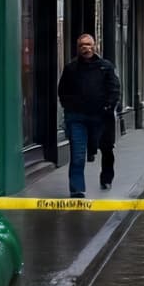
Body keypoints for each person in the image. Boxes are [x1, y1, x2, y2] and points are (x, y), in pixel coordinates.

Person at [57, 33, 121, 198]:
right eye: (82, 45)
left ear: (95, 46)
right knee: (78, 154)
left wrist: (108, 106)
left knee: (106, 149)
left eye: (88, 45)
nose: (86, 48)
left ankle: (106, 177)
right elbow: (62, 91)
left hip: (101, 117)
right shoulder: (71, 68)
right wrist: (70, 107)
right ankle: (77, 190)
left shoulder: (105, 67)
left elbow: (114, 89)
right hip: (77, 118)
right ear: (78, 48)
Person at [96, 102, 118, 191]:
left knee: (107, 150)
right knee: (107, 152)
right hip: (91, 115)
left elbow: (115, 95)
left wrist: (109, 106)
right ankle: (106, 179)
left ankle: (106, 179)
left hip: (105, 118)